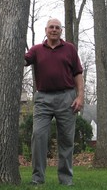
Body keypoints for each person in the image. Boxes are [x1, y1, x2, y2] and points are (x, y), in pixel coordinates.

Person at [24, 18, 84, 186]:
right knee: (39, 136)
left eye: (57, 27)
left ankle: (66, 180)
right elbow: (23, 61)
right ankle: (37, 178)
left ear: (61, 31)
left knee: (66, 140)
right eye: (51, 27)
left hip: (67, 98)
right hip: (43, 98)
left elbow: (78, 73)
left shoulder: (70, 49)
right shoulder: (36, 50)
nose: (54, 30)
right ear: (45, 30)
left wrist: (80, 96)